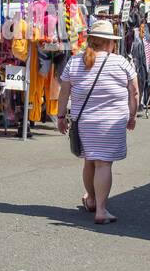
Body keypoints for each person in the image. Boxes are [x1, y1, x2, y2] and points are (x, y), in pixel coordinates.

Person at [57, 18, 138, 225]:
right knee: (104, 164)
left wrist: (60, 117)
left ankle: (92, 199)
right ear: (110, 42)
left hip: (84, 122)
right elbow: (134, 93)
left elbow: (64, 93)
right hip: (112, 122)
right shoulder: (121, 62)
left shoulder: (74, 61)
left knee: (90, 161)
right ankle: (101, 210)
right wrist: (132, 115)